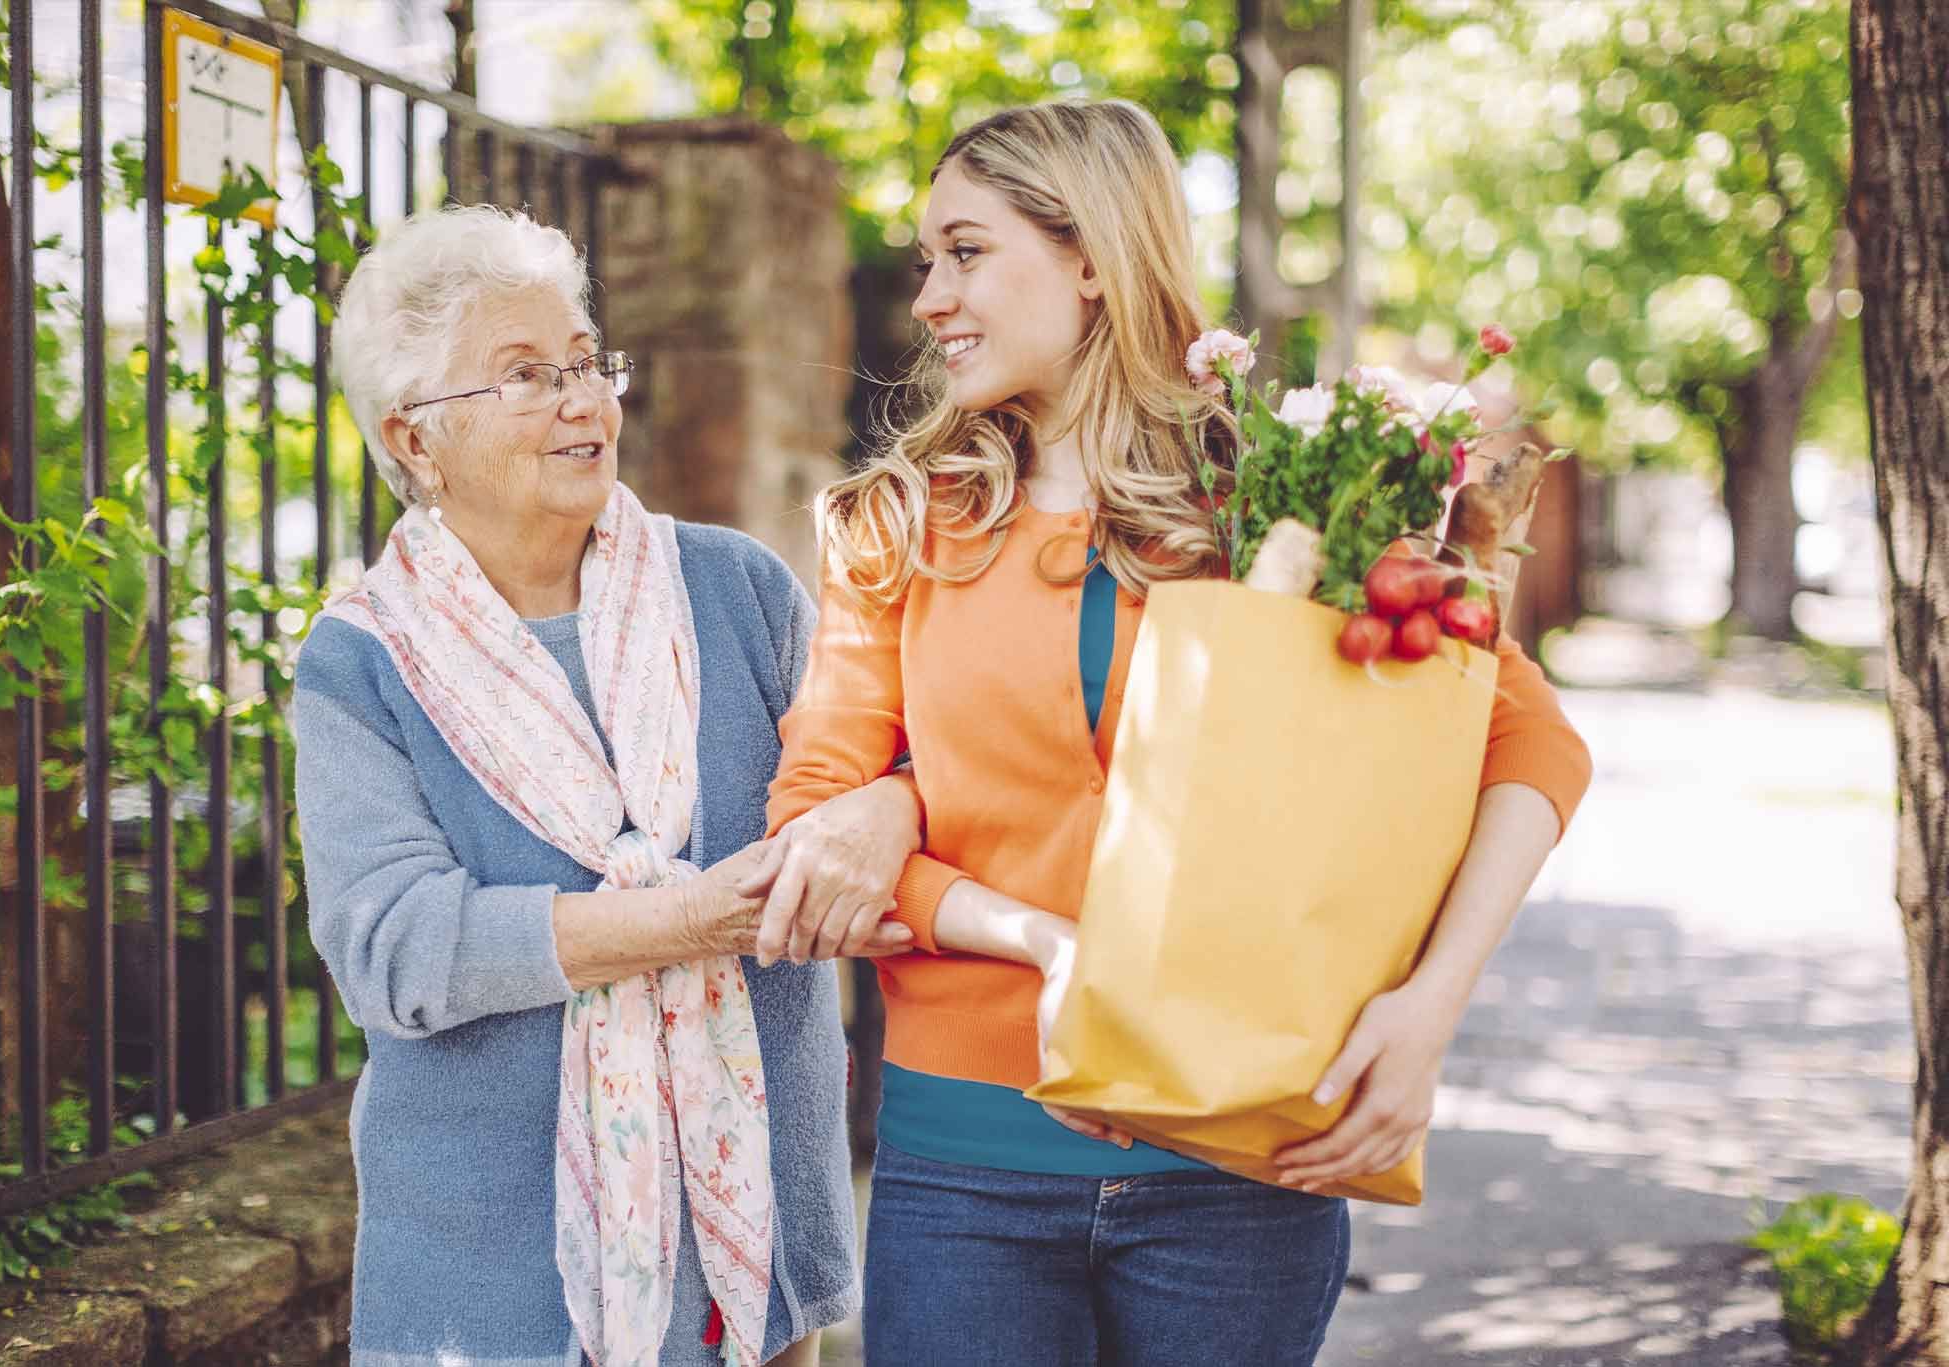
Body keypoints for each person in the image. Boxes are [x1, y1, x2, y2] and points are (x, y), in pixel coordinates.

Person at [757, 101, 1594, 1366]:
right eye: (927, 258)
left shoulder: (1290, 498)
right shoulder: (894, 525)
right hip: (963, 1166)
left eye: (965, 252)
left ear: (1090, 255)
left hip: (1242, 1146)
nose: (929, 296)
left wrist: (1425, 1011)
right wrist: (1036, 938)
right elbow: (807, 839)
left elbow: (1525, 743)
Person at [294, 205, 917, 1367]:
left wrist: (887, 802)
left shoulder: (735, 589)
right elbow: (395, 945)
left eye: (587, 362)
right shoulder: (361, 658)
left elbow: (876, 784)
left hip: (753, 1248)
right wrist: (681, 919)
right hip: (490, 1275)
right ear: (415, 439)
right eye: (527, 376)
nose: (586, 401)